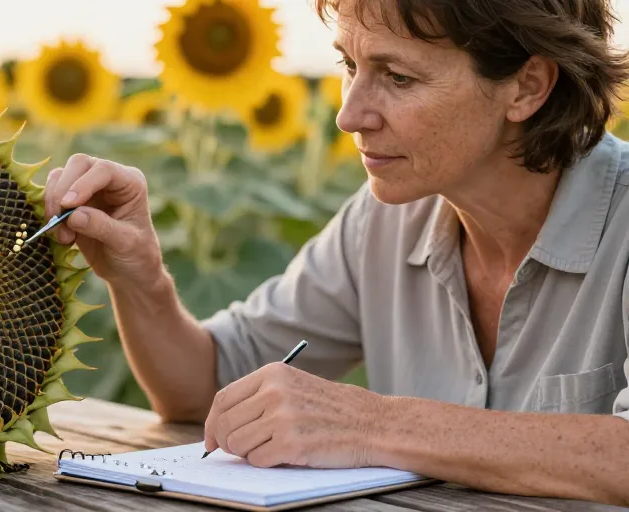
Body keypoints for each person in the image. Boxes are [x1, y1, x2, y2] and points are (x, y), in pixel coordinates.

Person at [43, 0, 629, 505]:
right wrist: (140, 275)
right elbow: (203, 390)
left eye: (398, 77)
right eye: (350, 65)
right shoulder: (379, 222)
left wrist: (372, 424)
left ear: (527, 86)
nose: (349, 116)